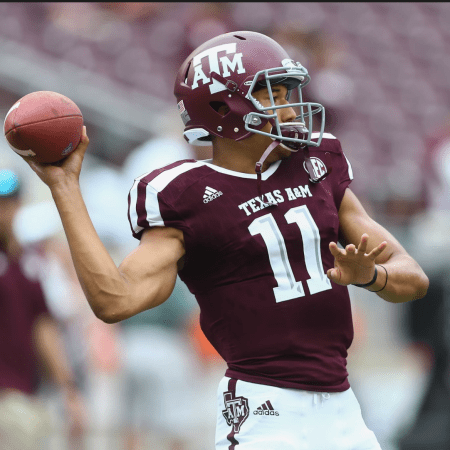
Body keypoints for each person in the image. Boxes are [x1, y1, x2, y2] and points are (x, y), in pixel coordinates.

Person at [20, 31, 429, 450]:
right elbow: (115, 300)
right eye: (274, 96)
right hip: (266, 413)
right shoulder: (186, 195)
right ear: (223, 108)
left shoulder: (316, 164)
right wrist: (65, 188)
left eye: (288, 94)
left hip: (344, 409)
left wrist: (372, 276)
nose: (291, 110)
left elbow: (413, 278)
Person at [0, 169, 86, 450]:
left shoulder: (27, 261)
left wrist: (68, 388)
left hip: (21, 393)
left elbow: (42, 326)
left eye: (9, 203)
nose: (4, 211)